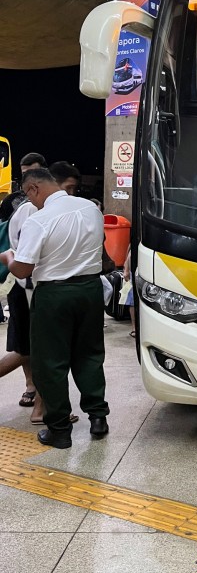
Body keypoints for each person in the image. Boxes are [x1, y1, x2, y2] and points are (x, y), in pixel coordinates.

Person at [0, 168, 109, 449]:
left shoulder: (40, 219)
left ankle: (59, 430)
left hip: (54, 294)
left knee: (51, 362)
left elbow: (23, 270)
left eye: (29, 195)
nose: (31, 202)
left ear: (34, 188)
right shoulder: (92, 209)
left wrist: (8, 258)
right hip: (90, 290)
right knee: (90, 354)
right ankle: (98, 417)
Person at [0, 152, 47, 412]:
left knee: (27, 346)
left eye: (33, 173)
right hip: (24, 284)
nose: (28, 182)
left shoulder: (47, 204)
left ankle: (40, 397)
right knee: (27, 347)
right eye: (24, 174)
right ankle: (38, 395)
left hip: (24, 282)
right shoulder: (16, 204)